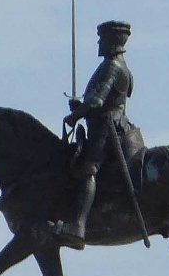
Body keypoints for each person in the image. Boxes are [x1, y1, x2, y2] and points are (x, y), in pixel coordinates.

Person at [55, 20, 135, 250]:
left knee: (88, 168)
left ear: (112, 41)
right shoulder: (120, 65)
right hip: (107, 125)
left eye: (102, 39)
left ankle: (77, 225)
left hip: (108, 130)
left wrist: (76, 115)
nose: (99, 43)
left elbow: (98, 101)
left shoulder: (113, 66)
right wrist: (81, 106)